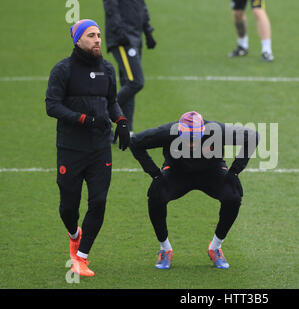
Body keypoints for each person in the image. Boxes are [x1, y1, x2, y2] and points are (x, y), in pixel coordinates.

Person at [45, 19, 130, 277]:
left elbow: (112, 101)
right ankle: (74, 234)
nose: (97, 40)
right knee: (69, 207)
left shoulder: (107, 68)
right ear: (78, 40)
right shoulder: (63, 70)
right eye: (91, 35)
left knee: (99, 201)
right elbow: (52, 106)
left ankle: (81, 257)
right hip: (70, 148)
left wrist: (122, 121)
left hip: (100, 148)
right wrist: (84, 119)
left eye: (99, 35)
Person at [129, 111, 259, 269]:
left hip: (211, 172)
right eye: (187, 139)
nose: (191, 144)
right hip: (178, 173)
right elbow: (135, 142)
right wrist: (155, 174)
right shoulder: (167, 132)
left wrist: (234, 171)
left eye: (195, 139)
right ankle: (165, 249)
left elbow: (253, 136)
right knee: (156, 196)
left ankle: (215, 247)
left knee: (233, 196)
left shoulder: (217, 131)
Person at [103, 0, 157, 134]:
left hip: (135, 38)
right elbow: (111, 10)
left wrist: (148, 32)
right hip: (122, 40)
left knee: (128, 84)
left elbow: (142, 8)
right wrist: (119, 32)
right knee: (135, 82)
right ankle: (104, 113)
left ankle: (127, 131)